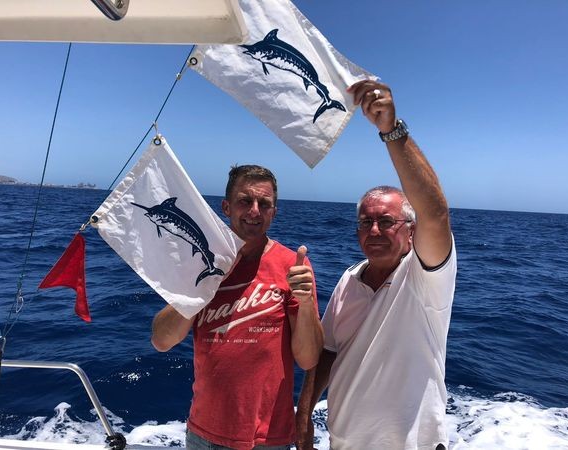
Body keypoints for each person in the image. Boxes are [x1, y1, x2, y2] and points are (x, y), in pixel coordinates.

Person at [296, 80, 456, 450]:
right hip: (343, 441)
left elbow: (435, 214)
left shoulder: (425, 276)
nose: (374, 230)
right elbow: (327, 351)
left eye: (386, 221)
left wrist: (391, 131)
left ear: (411, 231)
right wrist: (303, 416)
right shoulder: (349, 279)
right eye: (366, 222)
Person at [151, 165, 323, 450]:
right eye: (245, 201)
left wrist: (305, 304)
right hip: (204, 435)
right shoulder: (200, 261)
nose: (255, 211)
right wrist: (203, 287)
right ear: (226, 207)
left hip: (268, 439)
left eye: (264, 204)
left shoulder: (294, 267)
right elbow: (162, 340)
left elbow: (308, 359)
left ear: (274, 212)